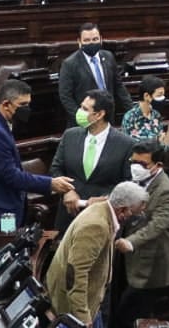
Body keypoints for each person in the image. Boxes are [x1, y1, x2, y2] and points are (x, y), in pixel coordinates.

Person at [45, 181, 149, 328]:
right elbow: (76, 274)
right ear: (122, 210)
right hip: (77, 305)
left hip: (91, 300)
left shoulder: (102, 210)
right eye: (135, 213)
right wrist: (82, 316)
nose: (137, 216)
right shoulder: (96, 225)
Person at [0, 81, 66, 238]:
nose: (27, 109)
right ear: (6, 104)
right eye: (23, 104)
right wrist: (51, 183)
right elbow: (12, 176)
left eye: (28, 104)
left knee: (8, 245)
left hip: (2, 209)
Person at [113, 140, 169, 328]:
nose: (136, 167)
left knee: (131, 312)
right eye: (134, 162)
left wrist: (131, 242)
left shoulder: (166, 191)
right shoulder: (135, 181)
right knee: (126, 309)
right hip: (130, 259)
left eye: (142, 164)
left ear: (157, 165)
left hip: (151, 262)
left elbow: (158, 225)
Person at [49, 89, 134, 229]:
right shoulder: (70, 135)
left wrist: (107, 199)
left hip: (102, 218)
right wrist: (67, 191)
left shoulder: (126, 144)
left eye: (84, 109)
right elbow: (55, 169)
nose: (79, 112)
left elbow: (129, 184)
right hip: (69, 215)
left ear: (99, 114)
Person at [57, 23, 134, 125]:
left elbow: (118, 86)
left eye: (95, 39)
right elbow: (65, 96)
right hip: (84, 122)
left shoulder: (108, 56)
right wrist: (82, 118)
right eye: (87, 40)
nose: (91, 43)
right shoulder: (69, 64)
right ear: (79, 42)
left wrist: (132, 110)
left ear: (101, 39)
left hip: (107, 117)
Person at [121, 75, 169, 145]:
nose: (163, 98)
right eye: (159, 95)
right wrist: (156, 140)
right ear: (146, 96)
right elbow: (133, 147)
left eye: (163, 95)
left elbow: (164, 147)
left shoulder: (156, 115)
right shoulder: (130, 117)